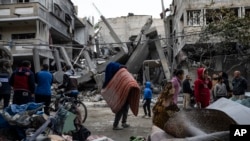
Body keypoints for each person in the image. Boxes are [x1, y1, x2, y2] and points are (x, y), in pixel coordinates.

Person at [101, 62, 140, 130]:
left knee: (124, 108)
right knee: (121, 109)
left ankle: (123, 123)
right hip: (127, 91)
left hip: (126, 92)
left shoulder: (118, 73)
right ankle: (115, 125)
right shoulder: (122, 71)